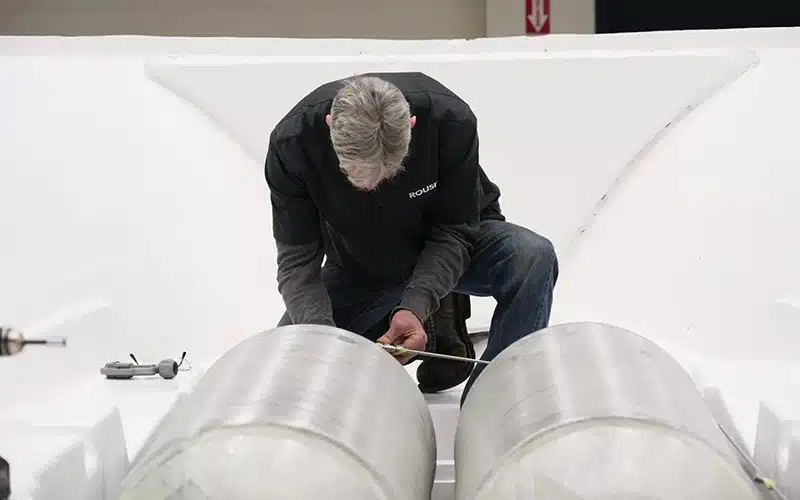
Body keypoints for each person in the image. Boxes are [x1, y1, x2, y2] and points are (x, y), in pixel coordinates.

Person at [265, 72, 558, 405]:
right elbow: (297, 262)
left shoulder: (450, 121)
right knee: (293, 366)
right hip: (361, 265)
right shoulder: (292, 143)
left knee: (533, 257)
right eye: (357, 178)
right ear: (330, 125)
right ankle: (439, 316)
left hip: (448, 245)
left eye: (388, 174)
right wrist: (322, 336)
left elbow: (455, 231)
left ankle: (493, 404)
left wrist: (416, 305)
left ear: (413, 125)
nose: (373, 189)